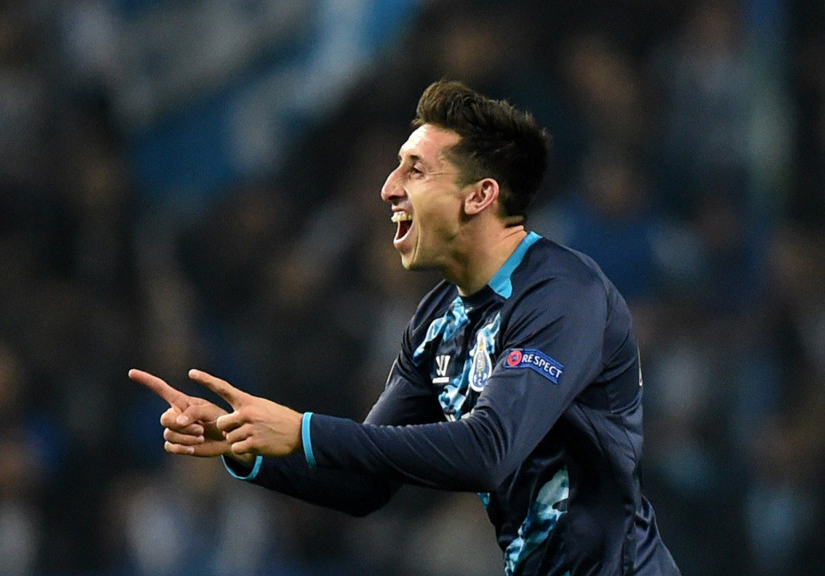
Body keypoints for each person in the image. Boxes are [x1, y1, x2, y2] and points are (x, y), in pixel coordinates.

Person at [130, 80, 681, 576]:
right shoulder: (437, 320)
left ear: (479, 195)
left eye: (414, 170)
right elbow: (364, 482)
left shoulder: (563, 294)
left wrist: (303, 430)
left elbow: (488, 452)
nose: (389, 188)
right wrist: (242, 443)